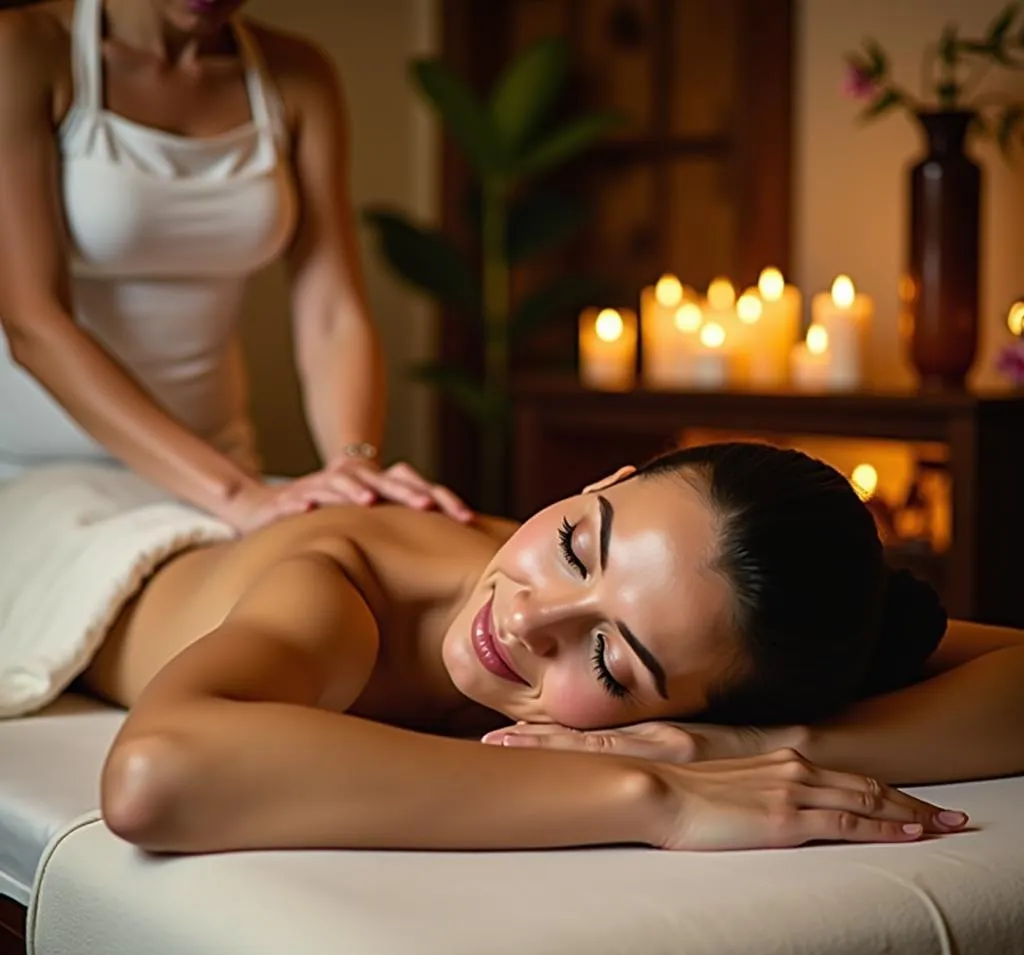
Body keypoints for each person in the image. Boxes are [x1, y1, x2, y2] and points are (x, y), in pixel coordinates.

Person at [75, 441, 1024, 855]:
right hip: (77, 542)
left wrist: (759, 749)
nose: (525, 622)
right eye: (577, 543)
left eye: (611, 662)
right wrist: (660, 794)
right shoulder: (342, 590)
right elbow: (156, 776)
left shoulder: (713, 641)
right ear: (603, 481)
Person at [0, 0, 471, 530]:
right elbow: (32, 322)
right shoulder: (25, 48)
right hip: (43, 471)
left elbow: (332, 314)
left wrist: (354, 465)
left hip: (222, 464)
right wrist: (234, 497)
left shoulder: (297, 75)